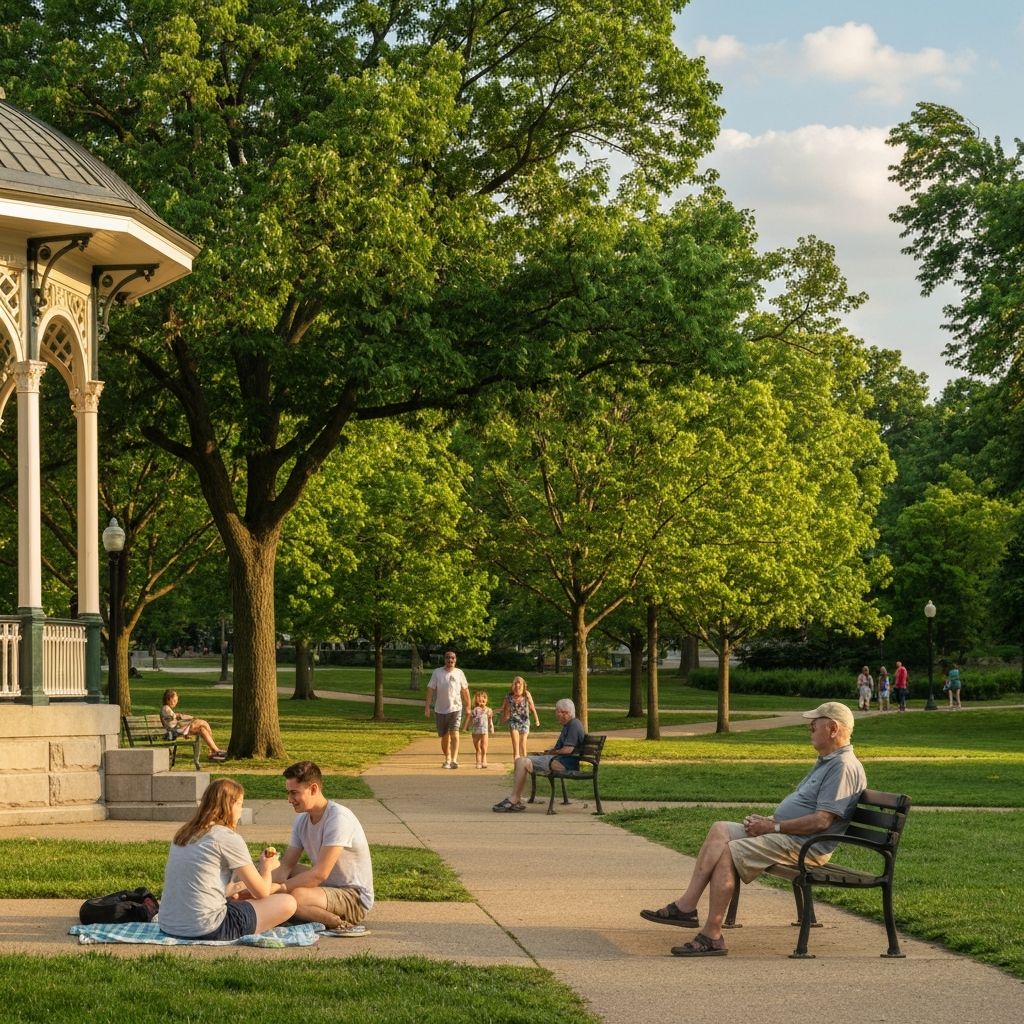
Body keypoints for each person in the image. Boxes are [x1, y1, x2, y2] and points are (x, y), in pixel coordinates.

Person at [639, 701, 866, 957]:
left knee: (729, 851)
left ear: (833, 728)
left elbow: (822, 821)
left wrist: (774, 826)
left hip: (806, 847)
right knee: (720, 830)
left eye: (814, 724)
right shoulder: (827, 761)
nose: (809, 729)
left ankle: (712, 935)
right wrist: (768, 821)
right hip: (790, 837)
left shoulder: (843, 766)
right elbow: (804, 807)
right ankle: (686, 906)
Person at [158, 778, 297, 939]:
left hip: (168, 925)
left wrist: (237, 887)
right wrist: (267, 867)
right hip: (208, 928)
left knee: (242, 902)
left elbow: (203, 881)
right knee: (288, 902)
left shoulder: (183, 834)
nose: (240, 810)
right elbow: (262, 892)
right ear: (229, 805)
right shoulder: (226, 837)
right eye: (240, 804)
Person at [272, 760, 375, 936]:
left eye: (294, 793)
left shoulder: (338, 818)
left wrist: (278, 889)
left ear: (313, 789)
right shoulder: (302, 820)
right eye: (288, 793)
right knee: (272, 869)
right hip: (326, 889)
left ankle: (337, 923)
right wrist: (259, 888)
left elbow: (320, 874)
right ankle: (298, 910)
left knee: (295, 897)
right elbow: (286, 866)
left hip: (353, 898)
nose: (289, 799)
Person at [493, 698, 584, 813]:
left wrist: (552, 752)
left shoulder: (574, 725)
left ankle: (514, 799)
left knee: (522, 761)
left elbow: (567, 750)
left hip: (563, 764)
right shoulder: (569, 725)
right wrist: (549, 752)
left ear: (565, 713)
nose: (556, 715)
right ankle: (517, 799)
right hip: (557, 760)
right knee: (521, 760)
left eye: (558, 712)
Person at [424, 650, 471, 769]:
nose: (450, 660)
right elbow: (430, 689)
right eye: (448, 658)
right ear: (444, 659)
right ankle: (447, 758)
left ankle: (454, 759)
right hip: (440, 709)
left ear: (455, 660)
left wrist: (468, 706)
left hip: (455, 708)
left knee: (455, 733)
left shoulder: (459, 673)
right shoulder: (437, 672)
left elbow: (465, 690)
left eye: (453, 658)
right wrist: (427, 707)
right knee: (444, 736)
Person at [160, 689, 227, 761]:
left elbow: (176, 718)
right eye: (175, 699)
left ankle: (214, 750)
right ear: (169, 699)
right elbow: (176, 718)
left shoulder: (167, 708)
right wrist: (188, 720)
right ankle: (214, 751)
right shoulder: (166, 708)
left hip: (177, 730)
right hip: (175, 731)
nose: (176, 701)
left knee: (202, 729)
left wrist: (186, 719)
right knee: (203, 723)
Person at [500, 675, 541, 759]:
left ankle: (524, 762)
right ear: (512, 686)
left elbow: (532, 707)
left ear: (523, 687)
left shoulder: (526, 694)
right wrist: (504, 717)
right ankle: (517, 761)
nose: (517, 687)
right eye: (515, 685)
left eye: (519, 686)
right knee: (515, 744)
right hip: (513, 722)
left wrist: (537, 719)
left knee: (523, 742)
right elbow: (505, 708)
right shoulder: (509, 696)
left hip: (524, 722)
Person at [464, 690, 495, 768]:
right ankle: (478, 761)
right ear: (477, 700)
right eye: (480, 699)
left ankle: (484, 759)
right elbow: (469, 718)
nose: (482, 701)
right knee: (477, 747)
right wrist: (466, 727)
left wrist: (491, 727)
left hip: (484, 730)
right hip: (475, 730)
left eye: (484, 699)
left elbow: (490, 720)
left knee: (484, 746)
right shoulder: (475, 710)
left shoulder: (488, 710)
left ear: (486, 700)